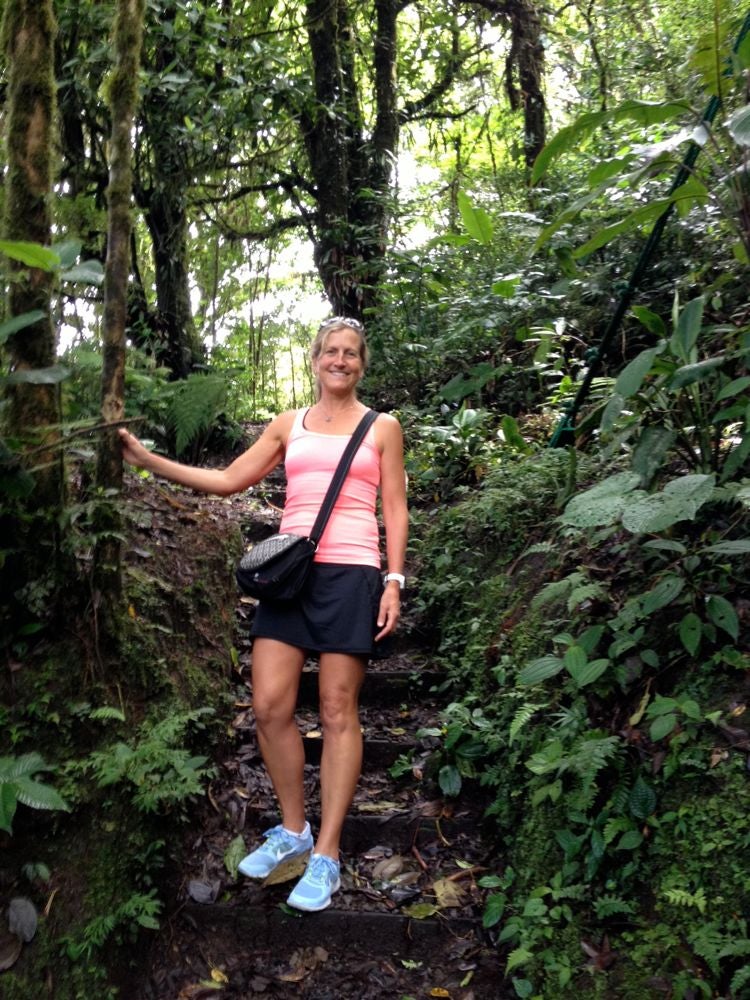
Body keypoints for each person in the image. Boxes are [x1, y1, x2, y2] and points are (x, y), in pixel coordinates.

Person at [118, 316, 408, 912]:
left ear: (363, 364)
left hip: (353, 573)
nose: (341, 360)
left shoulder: (383, 428)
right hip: (290, 575)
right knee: (270, 704)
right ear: (315, 359)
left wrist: (394, 581)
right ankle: (294, 831)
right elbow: (228, 480)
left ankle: (326, 853)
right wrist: (148, 460)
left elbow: (395, 509)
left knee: (336, 709)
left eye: (352, 353)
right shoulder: (288, 425)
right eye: (332, 350)